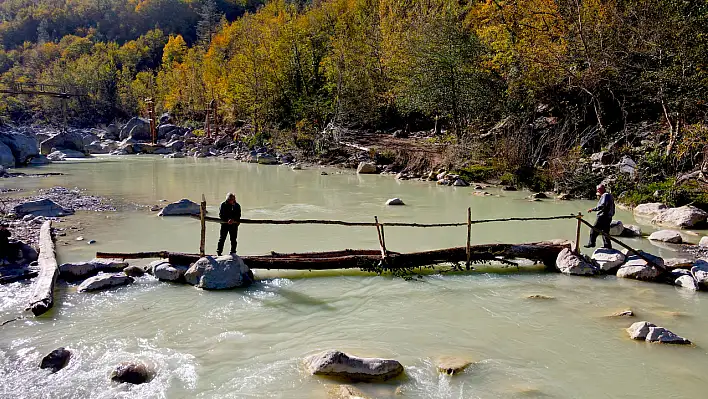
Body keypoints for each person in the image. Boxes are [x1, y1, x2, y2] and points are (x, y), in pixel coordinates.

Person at [585, 184, 615, 249]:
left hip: (603, 216)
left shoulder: (605, 195)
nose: (598, 191)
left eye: (598, 190)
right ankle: (607, 246)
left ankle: (591, 243)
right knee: (605, 232)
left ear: (601, 189)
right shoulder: (609, 195)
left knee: (594, 230)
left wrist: (592, 209)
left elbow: (602, 206)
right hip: (608, 217)